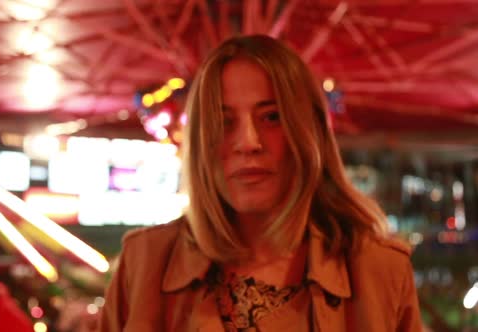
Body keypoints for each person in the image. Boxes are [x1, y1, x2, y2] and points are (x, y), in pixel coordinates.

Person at [99, 34, 422, 332]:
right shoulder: (144, 262)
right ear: (200, 143)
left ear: (310, 132)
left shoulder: (381, 271)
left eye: (271, 117)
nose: (248, 142)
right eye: (224, 122)